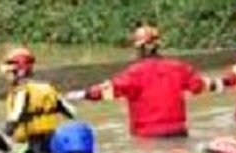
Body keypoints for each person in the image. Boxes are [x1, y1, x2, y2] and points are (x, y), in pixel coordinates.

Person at [81, 25, 209, 138]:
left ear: (139, 49)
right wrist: (226, 81)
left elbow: (108, 90)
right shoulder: (179, 68)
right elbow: (199, 86)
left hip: (148, 135)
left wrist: (86, 94)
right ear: (158, 46)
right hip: (178, 131)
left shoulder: (134, 73)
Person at [1, 47, 75, 153]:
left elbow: (17, 113)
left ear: (18, 71)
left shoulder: (21, 91)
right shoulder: (47, 87)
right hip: (52, 139)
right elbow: (71, 111)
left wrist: (8, 130)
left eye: (10, 73)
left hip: (33, 144)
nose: (8, 76)